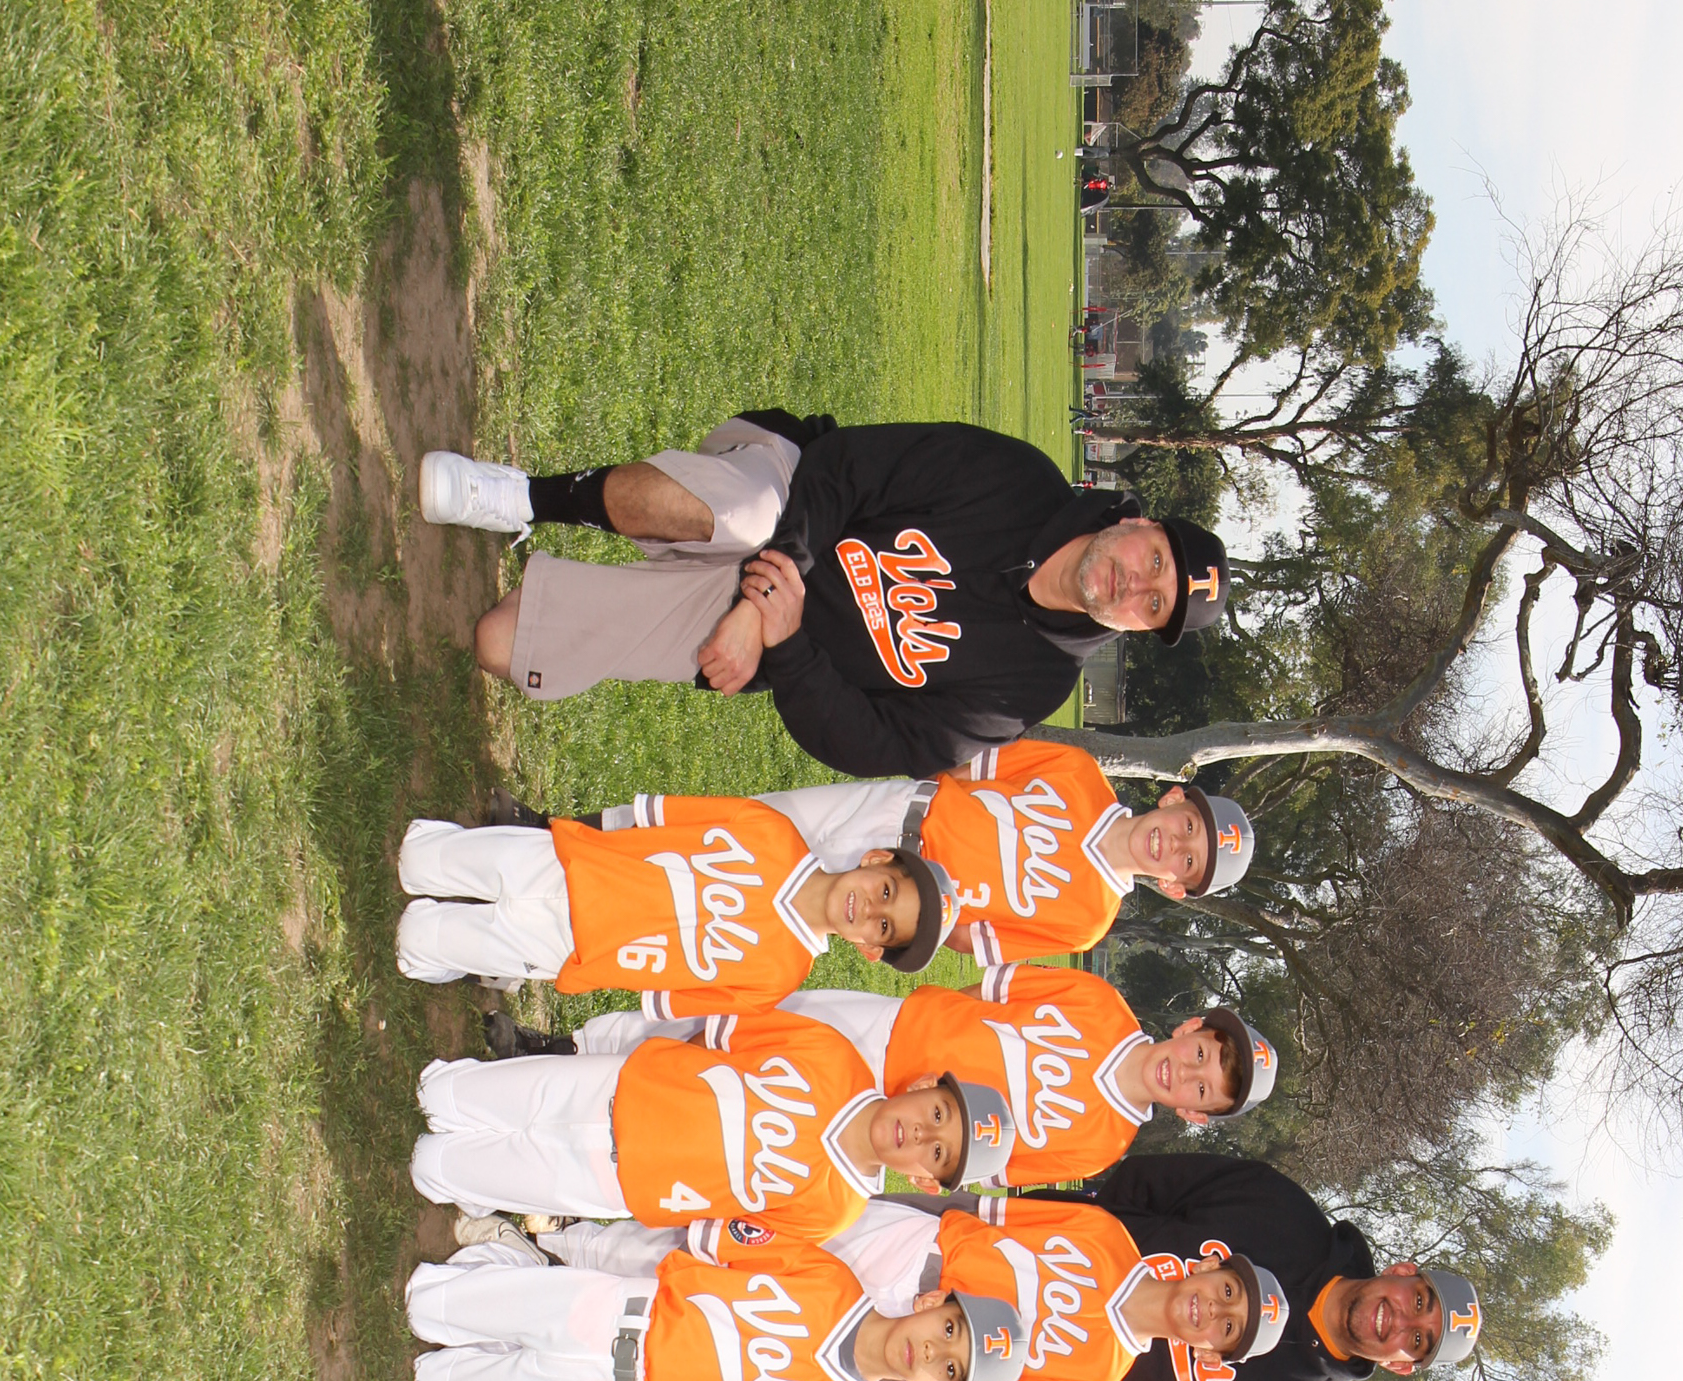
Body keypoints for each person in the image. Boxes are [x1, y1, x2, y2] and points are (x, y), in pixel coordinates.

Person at [418, 411, 1233, 777]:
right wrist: (764, 599)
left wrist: (787, 644)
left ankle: (569, 576)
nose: (1136, 585)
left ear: (1139, 628)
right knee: (735, 511)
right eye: (1154, 562)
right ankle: (524, 498)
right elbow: (850, 468)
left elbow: (878, 745)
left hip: (771, 638)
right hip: (790, 497)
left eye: (1153, 605)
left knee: (498, 641)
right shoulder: (1018, 481)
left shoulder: (1029, 686)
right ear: (1140, 523)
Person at [565, 969, 1278, 1180]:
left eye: (1203, 1090)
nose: (1187, 1073)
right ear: (1190, 1029)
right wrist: (928, 1021)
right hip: (891, 1033)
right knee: (743, 1028)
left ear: (1194, 1115)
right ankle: (583, 1046)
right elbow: (988, 992)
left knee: (740, 1108)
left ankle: (602, 1107)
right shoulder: (1100, 1003)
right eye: (1202, 1054)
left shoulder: (1100, 1146)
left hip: (890, 1128)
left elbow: (986, 1164)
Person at [591, 737, 1256, 959]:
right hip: (895, 812)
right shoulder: (1080, 773)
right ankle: (588, 834)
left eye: (1187, 863)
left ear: (1175, 887)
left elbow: (973, 940)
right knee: (742, 827)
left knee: (746, 912)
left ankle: (613, 920)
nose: (1174, 845)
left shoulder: (1088, 921)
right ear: (1176, 798)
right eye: (1189, 827)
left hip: (894, 900)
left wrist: (924, 909)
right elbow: (974, 765)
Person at [410, 1006, 1016, 1244]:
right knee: (438, 1093)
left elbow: (729, 1228)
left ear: (927, 1182)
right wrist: (672, 1080)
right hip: (615, 1087)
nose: (923, 1135)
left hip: (615, 1182)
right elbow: (724, 1036)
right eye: (938, 1115)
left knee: (431, 1166)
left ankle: (470, 1183)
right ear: (923, 1086)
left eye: (939, 1154)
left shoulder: (836, 1211)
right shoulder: (836, 1055)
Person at [1022, 1154, 1484, 1381]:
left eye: (1417, 1339)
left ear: (1400, 1366)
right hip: (1033, 1252)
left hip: (1025, 1372)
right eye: (1418, 1301)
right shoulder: (1285, 1209)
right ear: (1403, 1272)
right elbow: (1142, 1185)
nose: (1401, 1319)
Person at [404, 1212, 1026, 1381]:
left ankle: (515, 1267)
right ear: (932, 1301)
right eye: (950, 1329)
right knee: (429, 1303)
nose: (932, 1351)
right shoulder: (832, 1277)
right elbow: (717, 1240)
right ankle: (518, 1263)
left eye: (950, 1369)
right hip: (623, 1312)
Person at [392, 796, 955, 994]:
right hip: (573, 864)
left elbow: (674, 1000)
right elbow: (661, 814)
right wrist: (586, 830)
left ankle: (446, 946)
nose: (871, 909)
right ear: (875, 860)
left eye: (884, 926)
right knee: (416, 857)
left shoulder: (781, 975)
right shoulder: (774, 832)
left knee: (414, 938)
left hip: (577, 948)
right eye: (886, 890)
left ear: (869, 948)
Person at [827, 1190, 1286, 1381]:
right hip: (912, 1251)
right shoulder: (1108, 1234)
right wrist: (884, 1206)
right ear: (1208, 1265)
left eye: (1229, 1327)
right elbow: (985, 1211)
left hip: (911, 1354)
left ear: (1208, 1355)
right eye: (1228, 1290)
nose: (1215, 1308)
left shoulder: (1102, 1376)